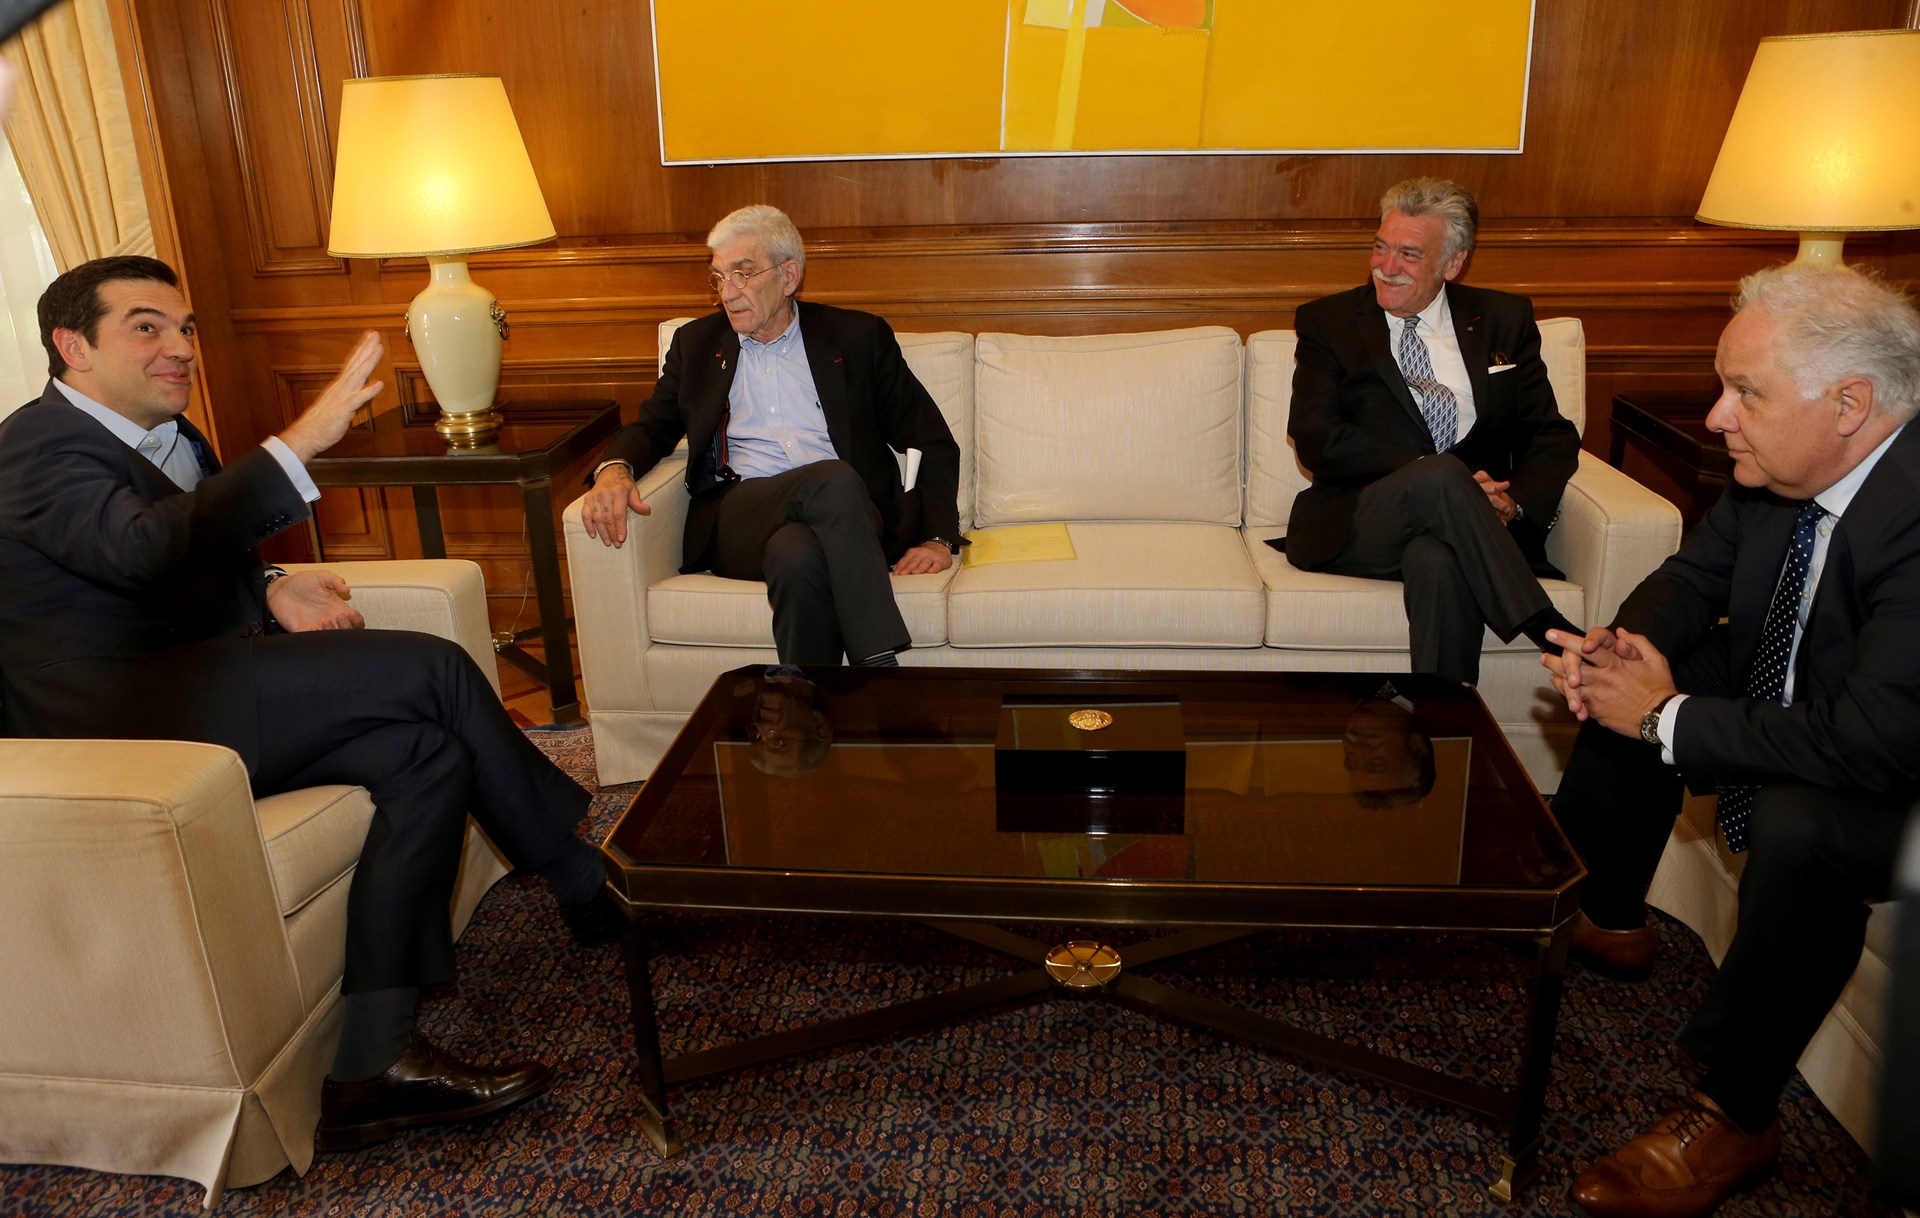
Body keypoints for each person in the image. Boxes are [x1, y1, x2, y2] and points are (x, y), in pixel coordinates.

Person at [0, 256, 620, 1152]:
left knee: (426, 753)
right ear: (73, 345)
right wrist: (297, 444)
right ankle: (582, 879)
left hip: (192, 679)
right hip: (119, 719)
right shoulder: (35, 447)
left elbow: (191, 549)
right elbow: (136, 550)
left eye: (185, 328)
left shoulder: (164, 433)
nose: (180, 348)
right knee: (433, 671)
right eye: (146, 327)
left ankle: (372, 1065)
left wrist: (271, 583)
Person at [1541, 263, 1920, 1218]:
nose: (1716, 417)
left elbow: (1873, 741)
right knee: (1625, 694)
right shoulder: (1784, 468)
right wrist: (1622, 651)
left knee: (1802, 827)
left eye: (1745, 392)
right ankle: (1607, 912)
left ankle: (1736, 1112)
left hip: (1896, 765)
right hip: (1817, 703)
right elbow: (1695, 577)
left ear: (1850, 404)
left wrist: (1662, 714)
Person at [580, 204, 963, 666]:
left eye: (743, 274)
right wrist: (614, 469)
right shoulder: (697, 344)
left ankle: (806, 701)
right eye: (719, 277)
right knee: (832, 478)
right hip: (741, 513)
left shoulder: (858, 338)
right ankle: (878, 663)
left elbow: (931, 438)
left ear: (789, 276)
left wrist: (938, 538)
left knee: (795, 555)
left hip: (848, 519)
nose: (728, 292)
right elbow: (652, 426)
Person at [1284, 178, 1582, 683]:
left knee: (1437, 559)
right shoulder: (1328, 322)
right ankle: (1548, 627)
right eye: (1380, 247)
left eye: (1409, 254)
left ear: (1453, 262)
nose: (1386, 266)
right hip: (1363, 519)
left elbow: (1551, 435)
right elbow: (1315, 435)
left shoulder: (1504, 319)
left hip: (1468, 528)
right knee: (1442, 473)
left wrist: (1514, 503)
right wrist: (1438, 475)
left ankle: (1445, 718)